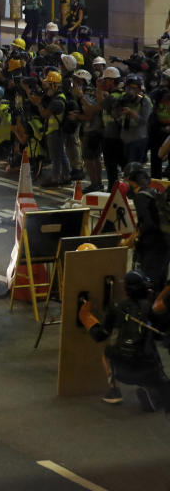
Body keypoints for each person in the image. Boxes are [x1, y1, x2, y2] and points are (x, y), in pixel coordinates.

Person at [79, 270, 170, 414]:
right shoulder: (151, 309)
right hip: (150, 370)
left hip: (123, 371)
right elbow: (162, 335)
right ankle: (153, 390)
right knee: (150, 347)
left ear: (125, 291)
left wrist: (86, 317)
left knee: (107, 352)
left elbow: (99, 335)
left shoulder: (117, 309)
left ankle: (114, 391)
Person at [123, 162, 170, 291]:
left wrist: (135, 238)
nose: (126, 184)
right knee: (159, 283)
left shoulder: (140, 197)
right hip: (164, 246)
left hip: (153, 249)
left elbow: (148, 224)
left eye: (126, 180)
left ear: (132, 180)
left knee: (149, 286)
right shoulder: (152, 193)